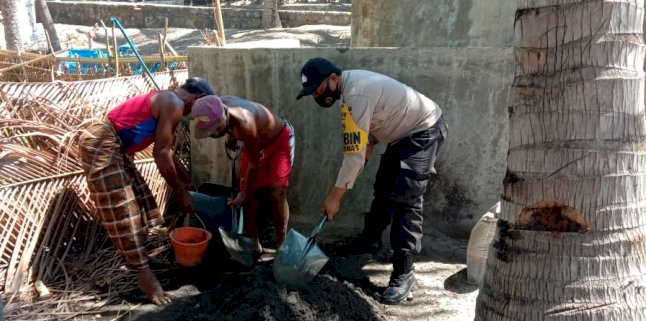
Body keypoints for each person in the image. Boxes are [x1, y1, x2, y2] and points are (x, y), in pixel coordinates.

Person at [296, 57, 448, 304]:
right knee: (384, 188)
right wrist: (370, 143)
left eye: (318, 89)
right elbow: (370, 130)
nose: (316, 96)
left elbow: (353, 157)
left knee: (406, 198)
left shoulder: (356, 95)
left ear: (333, 79)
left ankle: (404, 271)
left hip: (423, 131)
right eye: (312, 92)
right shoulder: (348, 92)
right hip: (401, 136)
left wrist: (335, 197)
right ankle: (370, 240)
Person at [78, 78, 215, 305]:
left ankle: (142, 262)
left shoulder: (170, 99)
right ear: (198, 99)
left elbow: (168, 153)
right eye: (201, 107)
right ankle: (145, 276)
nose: (198, 113)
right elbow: (161, 154)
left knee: (140, 202)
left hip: (113, 145)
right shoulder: (174, 103)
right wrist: (180, 192)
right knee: (124, 208)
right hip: (102, 142)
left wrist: (186, 182)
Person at [191, 95, 295, 255]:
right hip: (254, 140)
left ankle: (282, 242)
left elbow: (254, 163)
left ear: (222, 119)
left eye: (214, 130)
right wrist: (231, 135)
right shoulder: (214, 105)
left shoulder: (245, 122)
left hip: (278, 139)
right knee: (247, 192)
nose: (212, 135)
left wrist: (245, 192)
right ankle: (253, 244)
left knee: (276, 191)